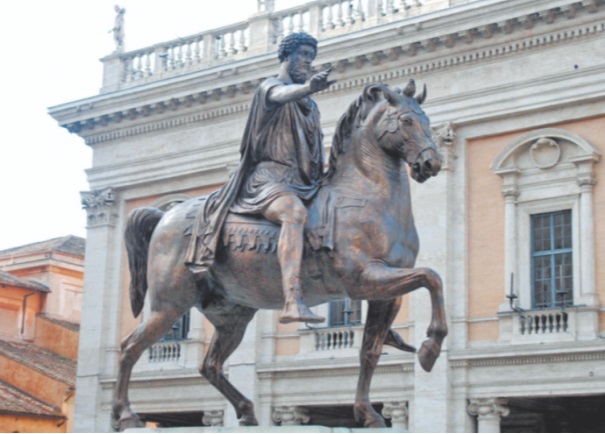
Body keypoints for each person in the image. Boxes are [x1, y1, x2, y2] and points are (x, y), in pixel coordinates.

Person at [185, 32, 335, 324]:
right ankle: (292, 299)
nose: (308, 61)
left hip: (303, 182)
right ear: (286, 56)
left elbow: (314, 151)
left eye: (311, 57)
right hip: (269, 181)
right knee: (293, 214)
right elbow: (280, 96)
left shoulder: (310, 107)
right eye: (303, 54)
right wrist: (307, 88)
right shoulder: (270, 88)